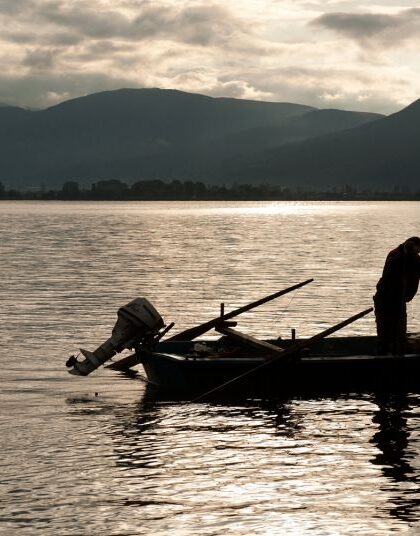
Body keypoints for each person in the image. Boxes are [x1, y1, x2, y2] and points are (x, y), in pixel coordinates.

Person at [373, 237, 420, 355]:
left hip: (400, 300)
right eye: (417, 251)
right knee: (386, 334)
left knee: (399, 335)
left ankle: (396, 353)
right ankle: (385, 355)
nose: (417, 253)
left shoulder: (414, 259)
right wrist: (408, 256)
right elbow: (391, 273)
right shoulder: (395, 256)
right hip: (385, 300)